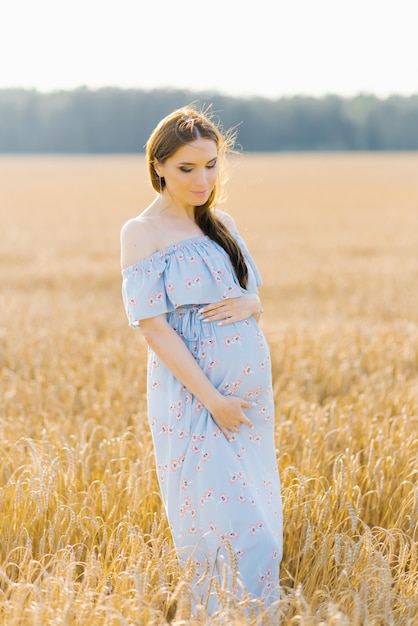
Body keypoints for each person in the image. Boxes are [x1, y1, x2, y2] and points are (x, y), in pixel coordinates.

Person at [120, 105, 282, 612]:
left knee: (263, 526)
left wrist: (252, 303)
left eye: (211, 165)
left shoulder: (221, 223)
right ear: (160, 166)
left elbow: (252, 295)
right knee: (222, 530)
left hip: (250, 402)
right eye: (187, 168)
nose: (202, 179)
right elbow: (153, 328)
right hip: (197, 399)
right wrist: (212, 400)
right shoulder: (141, 231)